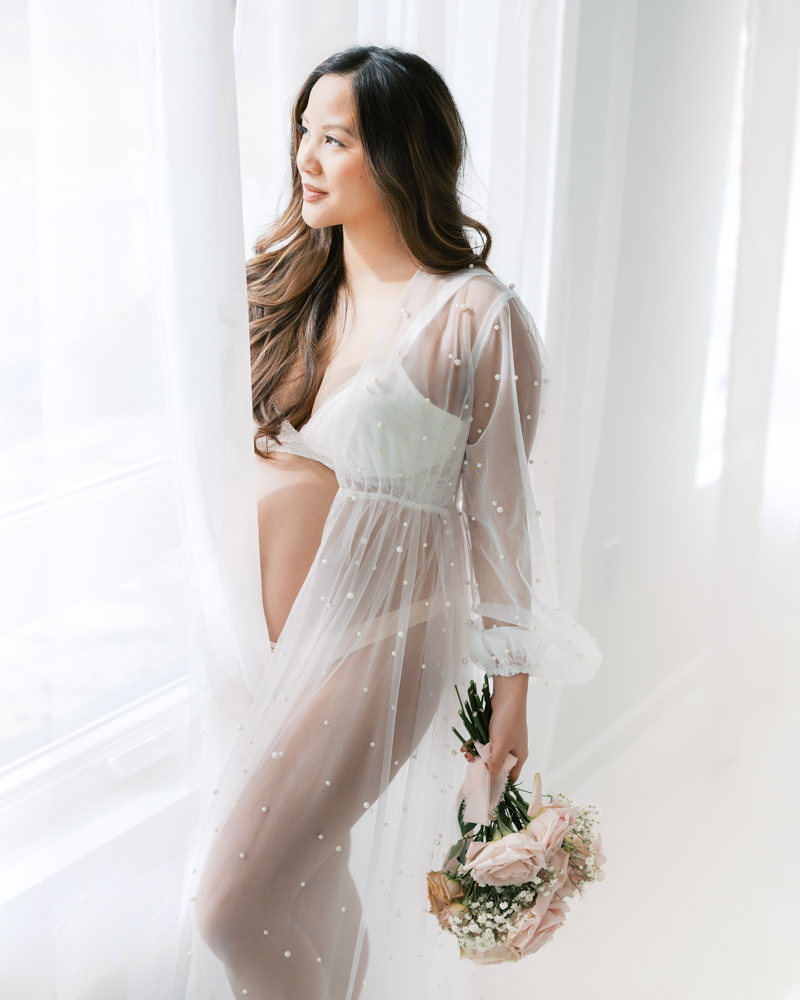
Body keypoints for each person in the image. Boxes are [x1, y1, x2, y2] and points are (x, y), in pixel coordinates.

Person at [185, 44, 600, 1000]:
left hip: (384, 642)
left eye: (335, 139)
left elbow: (505, 530)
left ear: (401, 158)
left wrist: (512, 708)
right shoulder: (295, 289)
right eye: (304, 133)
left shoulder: (476, 317)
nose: (306, 158)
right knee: (306, 880)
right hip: (275, 644)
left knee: (231, 906)